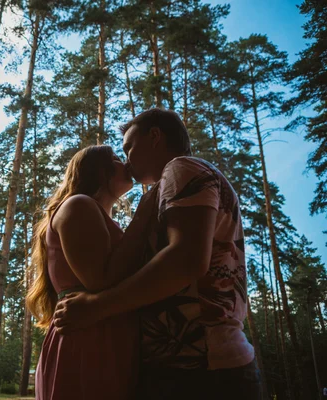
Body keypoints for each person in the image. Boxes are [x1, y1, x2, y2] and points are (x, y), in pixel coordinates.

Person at [53, 109, 261, 400]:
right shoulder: (170, 184)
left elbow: (186, 260)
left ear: (154, 136)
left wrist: (97, 307)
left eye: (129, 147)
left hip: (200, 369)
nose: (126, 159)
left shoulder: (180, 168)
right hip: (191, 364)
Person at [27, 145, 156, 400]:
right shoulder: (78, 205)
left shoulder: (93, 212)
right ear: (100, 170)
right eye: (117, 159)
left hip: (104, 331)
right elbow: (100, 280)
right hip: (89, 336)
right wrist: (143, 217)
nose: (126, 163)